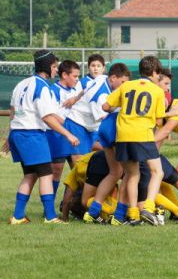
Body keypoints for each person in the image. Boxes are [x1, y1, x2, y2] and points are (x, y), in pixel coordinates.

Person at [8, 50, 80, 224]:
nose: (56, 70)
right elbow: (47, 117)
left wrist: (10, 135)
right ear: (47, 66)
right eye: (54, 66)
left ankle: (18, 216)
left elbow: (12, 112)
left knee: (30, 175)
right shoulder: (42, 87)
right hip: (32, 134)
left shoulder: (22, 84)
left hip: (18, 133)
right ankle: (50, 216)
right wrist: (68, 134)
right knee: (46, 175)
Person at [102, 56, 166, 226]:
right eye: (158, 74)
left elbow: (105, 107)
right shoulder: (158, 91)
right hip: (142, 134)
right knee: (157, 172)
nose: (158, 78)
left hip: (122, 135)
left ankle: (133, 214)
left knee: (131, 174)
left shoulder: (127, 86)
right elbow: (159, 122)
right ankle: (148, 207)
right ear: (153, 72)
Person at [82, 63, 132, 224]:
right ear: (113, 78)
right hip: (113, 128)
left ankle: (93, 211)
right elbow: (107, 109)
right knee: (130, 173)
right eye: (123, 82)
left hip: (104, 130)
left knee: (115, 172)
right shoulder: (109, 92)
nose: (125, 86)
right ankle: (120, 215)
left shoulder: (101, 80)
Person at [59, 54, 107, 164]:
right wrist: (75, 98)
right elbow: (76, 97)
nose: (95, 68)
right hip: (82, 124)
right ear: (88, 67)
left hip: (97, 126)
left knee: (104, 153)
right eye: (93, 65)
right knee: (80, 160)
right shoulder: (83, 82)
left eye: (99, 66)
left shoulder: (106, 81)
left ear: (103, 68)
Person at [48, 60, 81, 196]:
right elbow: (50, 114)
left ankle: (74, 205)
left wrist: (77, 97)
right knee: (56, 170)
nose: (77, 79)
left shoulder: (77, 89)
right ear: (64, 75)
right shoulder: (53, 90)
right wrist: (67, 126)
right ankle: (49, 209)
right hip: (57, 135)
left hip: (75, 135)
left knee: (79, 169)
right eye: (74, 76)